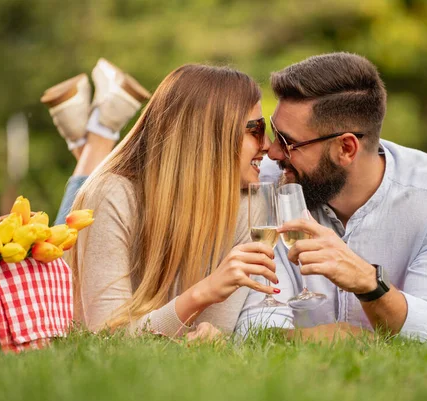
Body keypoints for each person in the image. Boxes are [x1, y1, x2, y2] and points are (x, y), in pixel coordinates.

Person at [238, 52, 427, 343]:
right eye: (274, 134)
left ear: (346, 149)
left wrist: (368, 282)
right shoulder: (267, 184)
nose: (272, 153)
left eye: (287, 142)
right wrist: (346, 338)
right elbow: (255, 330)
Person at [42, 62, 279, 339]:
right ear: (207, 137)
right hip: (59, 285)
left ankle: (94, 133)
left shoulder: (249, 204)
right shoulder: (113, 195)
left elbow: (210, 333)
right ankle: (99, 133)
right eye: (256, 130)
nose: (268, 145)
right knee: (88, 194)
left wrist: (207, 337)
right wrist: (203, 293)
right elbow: (106, 338)